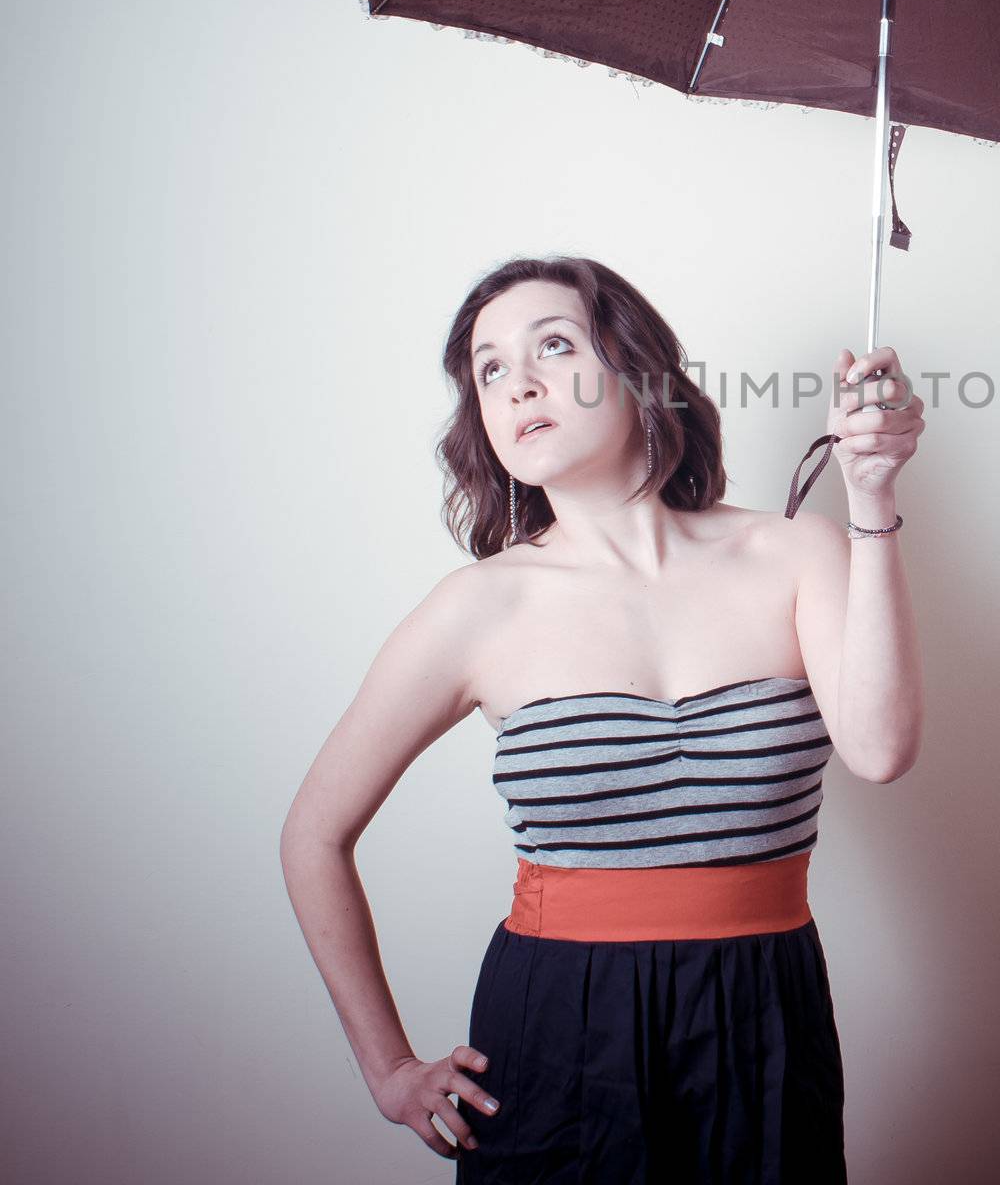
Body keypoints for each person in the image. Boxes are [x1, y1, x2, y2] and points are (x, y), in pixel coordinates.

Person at [279, 253, 925, 1182]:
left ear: (638, 371)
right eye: (490, 369)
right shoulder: (476, 608)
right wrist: (388, 1068)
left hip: (763, 1015)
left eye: (552, 345)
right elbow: (313, 834)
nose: (518, 384)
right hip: (556, 1028)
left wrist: (871, 495)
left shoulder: (794, 551)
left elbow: (882, 749)